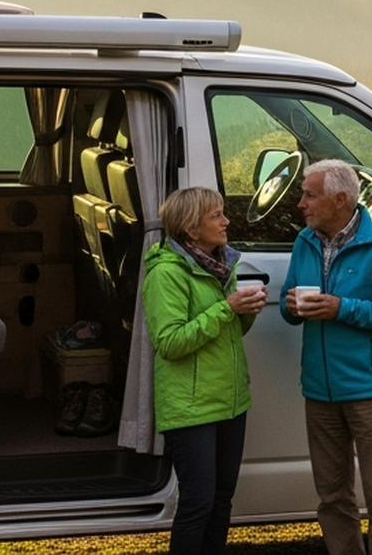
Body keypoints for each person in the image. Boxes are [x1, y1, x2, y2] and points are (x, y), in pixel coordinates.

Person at [281, 159, 372, 555]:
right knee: (332, 499)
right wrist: (291, 306)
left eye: (309, 195)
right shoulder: (304, 241)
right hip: (319, 393)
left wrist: (341, 307)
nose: (300, 204)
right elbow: (288, 308)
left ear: (340, 199)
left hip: (371, 392)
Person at [142, 186, 265, 555]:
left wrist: (245, 314)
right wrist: (227, 308)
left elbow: (228, 334)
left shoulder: (222, 266)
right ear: (191, 230)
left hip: (230, 400)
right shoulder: (166, 274)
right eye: (216, 216)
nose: (227, 221)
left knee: (221, 500)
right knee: (198, 503)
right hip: (191, 406)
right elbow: (171, 342)